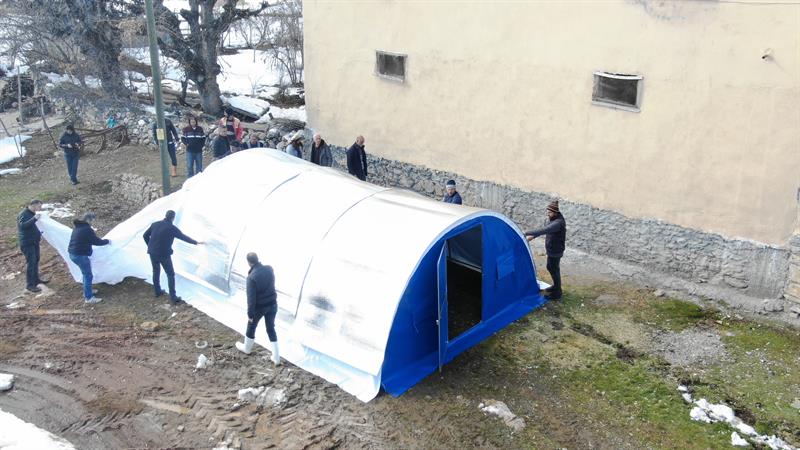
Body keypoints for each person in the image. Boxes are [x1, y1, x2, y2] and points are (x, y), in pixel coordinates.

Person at [143, 210, 203, 305]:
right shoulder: (172, 228)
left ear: (165, 215)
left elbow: (145, 235)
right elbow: (183, 237)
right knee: (170, 274)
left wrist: (150, 246)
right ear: (173, 218)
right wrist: (195, 242)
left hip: (152, 253)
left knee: (156, 271)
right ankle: (173, 297)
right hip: (164, 254)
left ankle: (157, 291)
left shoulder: (155, 224)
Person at [235, 252, 280, 366]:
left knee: (251, 326)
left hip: (260, 307)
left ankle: (247, 348)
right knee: (271, 328)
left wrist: (250, 315)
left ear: (248, 262)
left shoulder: (251, 278)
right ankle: (276, 357)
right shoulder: (269, 269)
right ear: (257, 259)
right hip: (273, 304)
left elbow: (251, 299)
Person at [525, 200, 567, 300]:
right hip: (552, 249)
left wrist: (527, 232)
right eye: (547, 212)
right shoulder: (554, 219)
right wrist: (533, 237)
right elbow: (546, 229)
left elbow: (544, 230)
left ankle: (557, 293)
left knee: (554, 269)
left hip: (556, 250)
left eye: (549, 212)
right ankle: (556, 287)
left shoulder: (558, 223)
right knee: (551, 268)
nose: (548, 214)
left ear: (555, 212)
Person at [67, 212, 109, 304]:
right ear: (89, 220)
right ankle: (89, 298)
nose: (93, 222)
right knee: (88, 275)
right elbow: (96, 241)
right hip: (80, 255)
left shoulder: (78, 227)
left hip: (73, 254)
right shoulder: (86, 229)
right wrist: (107, 241)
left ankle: (87, 291)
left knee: (85, 274)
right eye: (92, 220)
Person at [17, 199, 47, 293]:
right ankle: (30, 285)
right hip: (27, 243)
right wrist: (34, 219)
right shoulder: (24, 214)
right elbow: (22, 226)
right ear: (33, 205)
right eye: (39, 206)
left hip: (34, 242)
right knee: (31, 262)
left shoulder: (33, 213)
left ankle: (36, 280)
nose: (40, 208)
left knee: (36, 260)